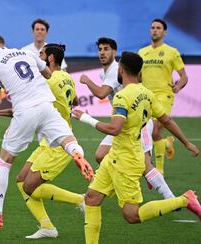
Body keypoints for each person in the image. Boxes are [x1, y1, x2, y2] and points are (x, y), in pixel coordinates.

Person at [72, 51, 200, 244]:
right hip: (115, 156)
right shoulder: (147, 93)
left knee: (131, 215)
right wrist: (186, 142)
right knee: (91, 198)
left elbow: (114, 129)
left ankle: (185, 200)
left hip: (127, 162)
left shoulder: (122, 97)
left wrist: (85, 118)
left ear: (121, 69)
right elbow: (166, 120)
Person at [0, 34, 94, 233]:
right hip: (46, 105)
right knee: (67, 139)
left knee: (4, 164)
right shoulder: (27, 53)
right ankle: (77, 154)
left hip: (24, 111)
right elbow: (48, 74)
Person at [81, 37, 174, 199]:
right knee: (100, 155)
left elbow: (101, 93)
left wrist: (87, 81)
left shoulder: (115, 69)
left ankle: (172, 198)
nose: (102, 52)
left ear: (114, 52)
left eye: (106, 49)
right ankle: (115, 184)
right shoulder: (105, 72)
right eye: (100, 49)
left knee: (145, 166)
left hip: (138, 123)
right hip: (123, 122)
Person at [138, 18, 188, 174]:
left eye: (158, 28)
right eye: (152, 27)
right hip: (146, 97)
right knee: (151, 133)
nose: (154, 30)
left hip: (164, 96)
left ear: (164, 32)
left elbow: (184, 76)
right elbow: (138, 76)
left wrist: (178, 86)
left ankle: (159, 169)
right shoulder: (142, 52)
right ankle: (166, 143)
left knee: (155, 129)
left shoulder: (172, 52)